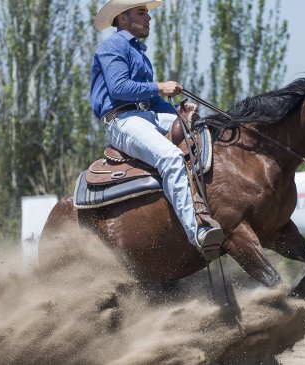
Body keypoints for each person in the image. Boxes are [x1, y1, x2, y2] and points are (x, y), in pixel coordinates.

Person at [90, 0, 223, 260]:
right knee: (171, 157)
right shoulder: (112, 46)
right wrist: (159, 86)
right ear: (123, 19)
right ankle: (196, 232)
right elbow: (119, 88)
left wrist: (181, 114)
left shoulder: (138, 51)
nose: (148, 18)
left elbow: (153, 102)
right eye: (141, 12)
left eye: (147, 13)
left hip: (146, 115)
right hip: (122, 121)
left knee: (203, 131)